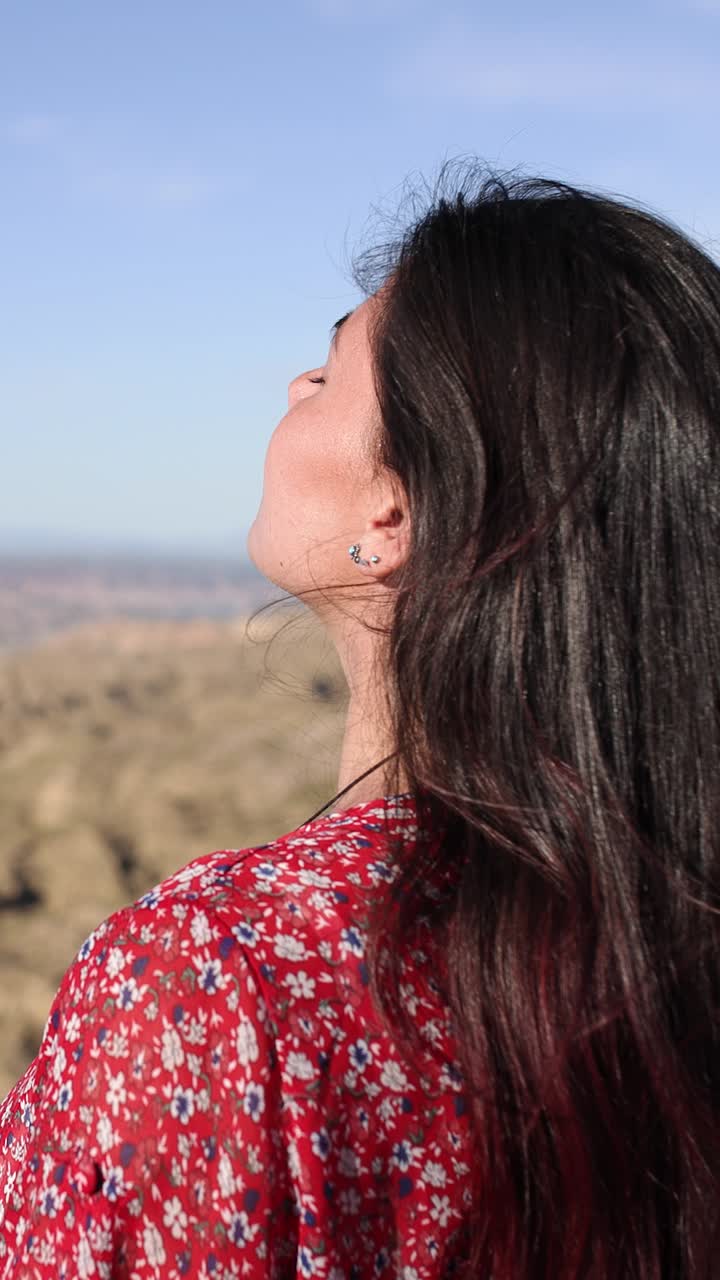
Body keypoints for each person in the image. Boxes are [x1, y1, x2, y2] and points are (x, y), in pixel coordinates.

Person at [0, 161, 718, 1278]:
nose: (294, 382)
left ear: (397, 512)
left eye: (332, 369)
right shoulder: (672, 941)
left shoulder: (214, 981)